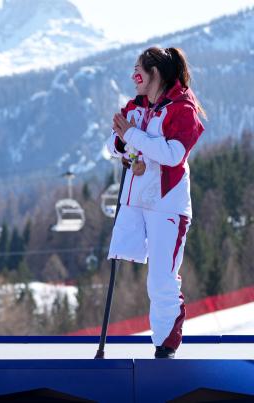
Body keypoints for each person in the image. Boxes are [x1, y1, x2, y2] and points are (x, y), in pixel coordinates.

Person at [106, 47, 206, 358]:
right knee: (140, 270)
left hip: (167, 205)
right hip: (138, 202)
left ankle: (166, 345)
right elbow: (113, 144)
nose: (133, 76)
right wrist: (123, 142)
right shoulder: (136, 107)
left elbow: (173, 155)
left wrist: (132, 136)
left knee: (161, 277)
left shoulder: (182, 109)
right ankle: (162, 344)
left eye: (138, 70)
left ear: (155, 74)